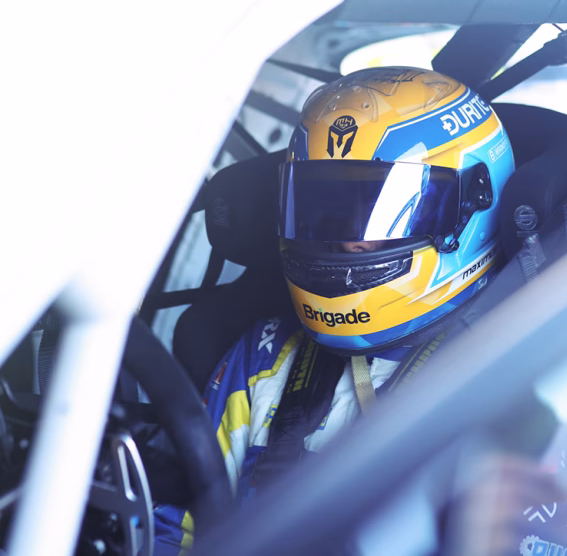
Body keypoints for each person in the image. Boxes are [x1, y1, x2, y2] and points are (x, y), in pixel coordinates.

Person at [154, 66, 542, 554]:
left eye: (376, 211)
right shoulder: (264, 356)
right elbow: (175, 533)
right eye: (323, 210)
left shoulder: (526, 379)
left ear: (470, 210)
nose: (344, 241)